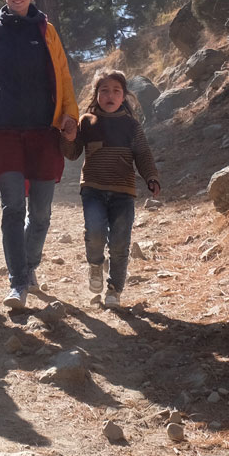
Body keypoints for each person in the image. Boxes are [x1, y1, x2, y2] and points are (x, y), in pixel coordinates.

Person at [0, 0, 79, 309]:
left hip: (44, 131)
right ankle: (17, 282)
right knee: (13, 208)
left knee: (41, 212)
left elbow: (63, 75)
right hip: (3, 132)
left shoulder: (46, 31)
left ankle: (30, 268)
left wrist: (69, 116)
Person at [61, 67, 160, 308]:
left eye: (116, 91)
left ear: (124, 96)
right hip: (93, 189)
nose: (110, 95)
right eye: (104, 90)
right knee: (94, 233)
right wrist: (70, 137)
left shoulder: (131, 126)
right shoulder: (87, 121)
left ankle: (115, 289)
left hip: (123, 192)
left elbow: (143, 154)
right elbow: (73, 154)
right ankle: (95, 265)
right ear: (96, 95)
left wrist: (151, 177)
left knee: (120, 243)